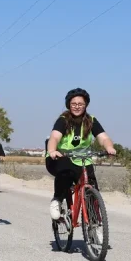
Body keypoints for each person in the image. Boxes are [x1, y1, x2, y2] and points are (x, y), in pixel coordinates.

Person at [46, 88, 116, 221]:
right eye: (74, 104)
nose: (77, 107)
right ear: (68, 105)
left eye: (80, 104)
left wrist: (109, 147)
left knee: (92, 188)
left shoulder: (91, 120)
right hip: (61, 157)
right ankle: (57, 200)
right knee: (64, 172)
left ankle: (95, 226)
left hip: (82, 159)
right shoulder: (63, 120)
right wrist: (52, 151)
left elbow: (103, 138)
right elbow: (54, 138)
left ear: (86, 105)